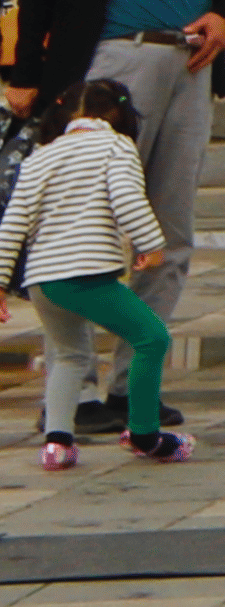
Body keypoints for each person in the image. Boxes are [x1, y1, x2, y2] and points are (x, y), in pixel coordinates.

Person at [1, 0, 225, 437]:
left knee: (170, 229)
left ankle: (138, 387)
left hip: (188, 62)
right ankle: (74, 387)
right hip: (105, 65)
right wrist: (25, 77)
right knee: (83, 233)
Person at [5, 79, 184, 467]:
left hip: (42, 280)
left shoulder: (41, 156)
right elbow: (127, 198)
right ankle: (144, 433)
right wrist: (151, 246)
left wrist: (0, 283)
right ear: (121, 116)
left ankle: (57, 443)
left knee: (70, 355)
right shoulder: (116, 146)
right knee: (151, 339)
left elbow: (13, 222)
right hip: (86, 273)